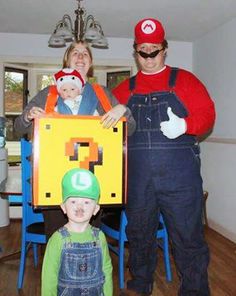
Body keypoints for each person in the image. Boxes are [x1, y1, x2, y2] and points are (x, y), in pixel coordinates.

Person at [112, 18, 216, 296]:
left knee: (188, 237)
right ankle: (140, 283)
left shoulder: (186, 80)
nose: (148, 56)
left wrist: (185, 125)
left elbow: (207, 114)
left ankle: (195, 290)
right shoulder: (123, 90)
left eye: (154, 50)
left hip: (180, 179)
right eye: (142, 50)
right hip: (138, 180)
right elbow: (105, 130)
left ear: (165, 49)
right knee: (139, 234)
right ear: (135, 51)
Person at [14, 40, 136, 240]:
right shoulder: (49, 94)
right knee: (57, 241)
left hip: (92, 184)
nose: (80, 57)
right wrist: (28, 116)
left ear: (90, 63)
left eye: (85, 53)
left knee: (88, 241)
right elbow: (19, 127)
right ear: (66, 61)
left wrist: (123, 110)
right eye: (75, 53)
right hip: (54, 183)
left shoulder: (102, 94)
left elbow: (129, 130)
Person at [41, 167, 113, 296]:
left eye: (86, 202)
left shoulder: (99, 237)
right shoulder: (57, 239)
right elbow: (49, 277)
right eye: (73, 201)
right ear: (63, 207)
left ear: (96, 209)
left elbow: (106, 270)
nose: (79, 207)